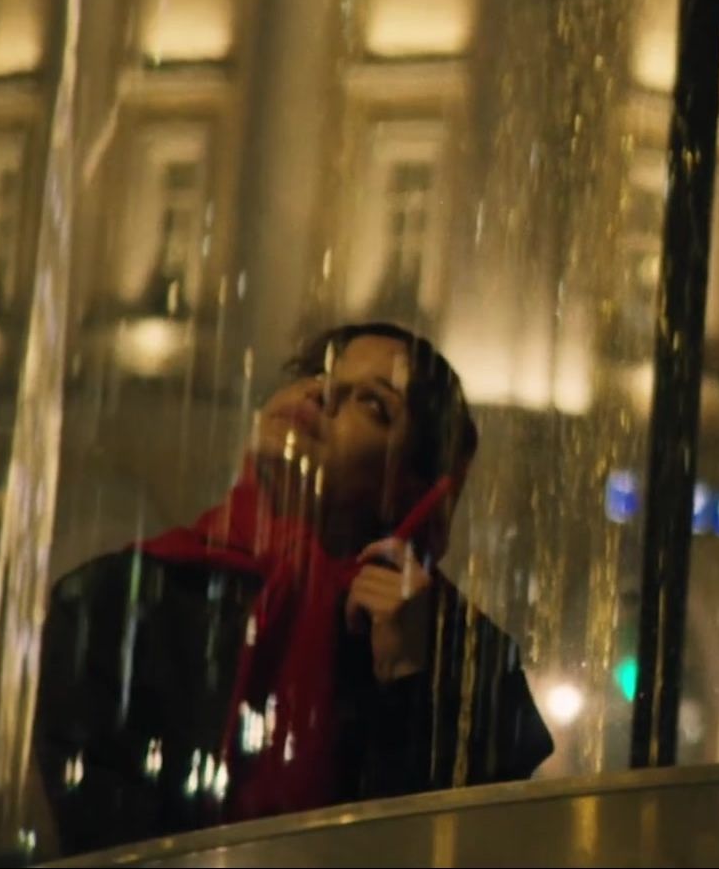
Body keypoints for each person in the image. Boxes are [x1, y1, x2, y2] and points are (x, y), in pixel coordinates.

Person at [35, 323, 552, 856]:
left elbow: (459, 848)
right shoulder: (116, 602)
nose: (321, 393)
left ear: (410, 488)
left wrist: (406, 679)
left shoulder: (465, 657)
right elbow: (104, 837)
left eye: (374, 403)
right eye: (317, 372)